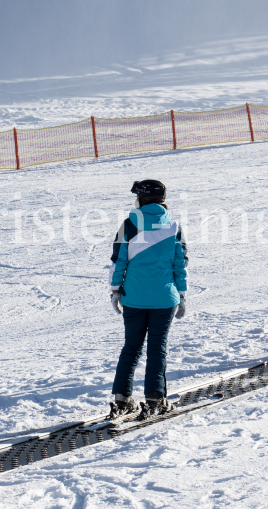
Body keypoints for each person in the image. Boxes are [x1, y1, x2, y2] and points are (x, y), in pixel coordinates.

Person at [108, 179, 188, 420]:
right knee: (157, 348)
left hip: (133, 297)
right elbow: (180, 264)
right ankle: (155, 398)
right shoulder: (173, 226)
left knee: (131, 348)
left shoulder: (128, 226)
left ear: (141, 199)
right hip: (165, 298)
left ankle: (122, 399)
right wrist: (182, 294)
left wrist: (114, 291)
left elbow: (117, 261)